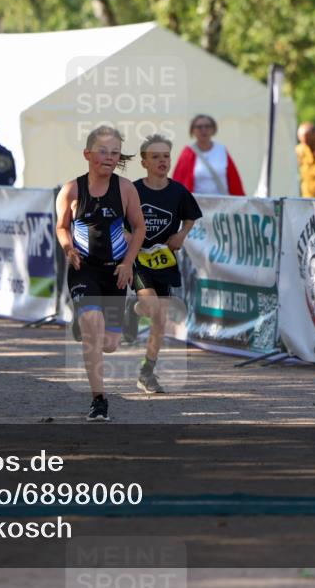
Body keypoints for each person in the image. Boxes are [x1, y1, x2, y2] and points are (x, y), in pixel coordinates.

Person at [56, 125, 145, 421]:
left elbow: (139, 227)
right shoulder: (71, 189)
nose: (109, 157)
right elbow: (61, 226)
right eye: (103, 151)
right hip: (84, 270)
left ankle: (92, 321)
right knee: (93, 327)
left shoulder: (125, 189)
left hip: (115, 271)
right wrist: (69, 248)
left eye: (115, 152)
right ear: (88, 154)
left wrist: (128, 263)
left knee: (109, 344)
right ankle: (99, 400)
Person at [124, 134, 201, 394]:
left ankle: (147, 372)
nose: (162, 161)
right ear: (144, 162)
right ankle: (137, 309)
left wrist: (181, 234)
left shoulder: (178, 191)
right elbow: (117, 222)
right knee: (154, 308)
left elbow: (191, 217)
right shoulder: (133, 190)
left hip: (165, 261)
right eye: (155, 157)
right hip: (139, 260)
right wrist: (128, 237)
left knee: (160, 319)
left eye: (166, 156)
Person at [171, 114, 245, 196]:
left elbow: (234, 180)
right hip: (196, 204)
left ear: (213, 129)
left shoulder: (221, 150)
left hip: (222, 204)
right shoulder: (188, 152)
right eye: (199, 127)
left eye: (207, 126)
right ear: (193, 130)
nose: (204, 130)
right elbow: (179, 181)